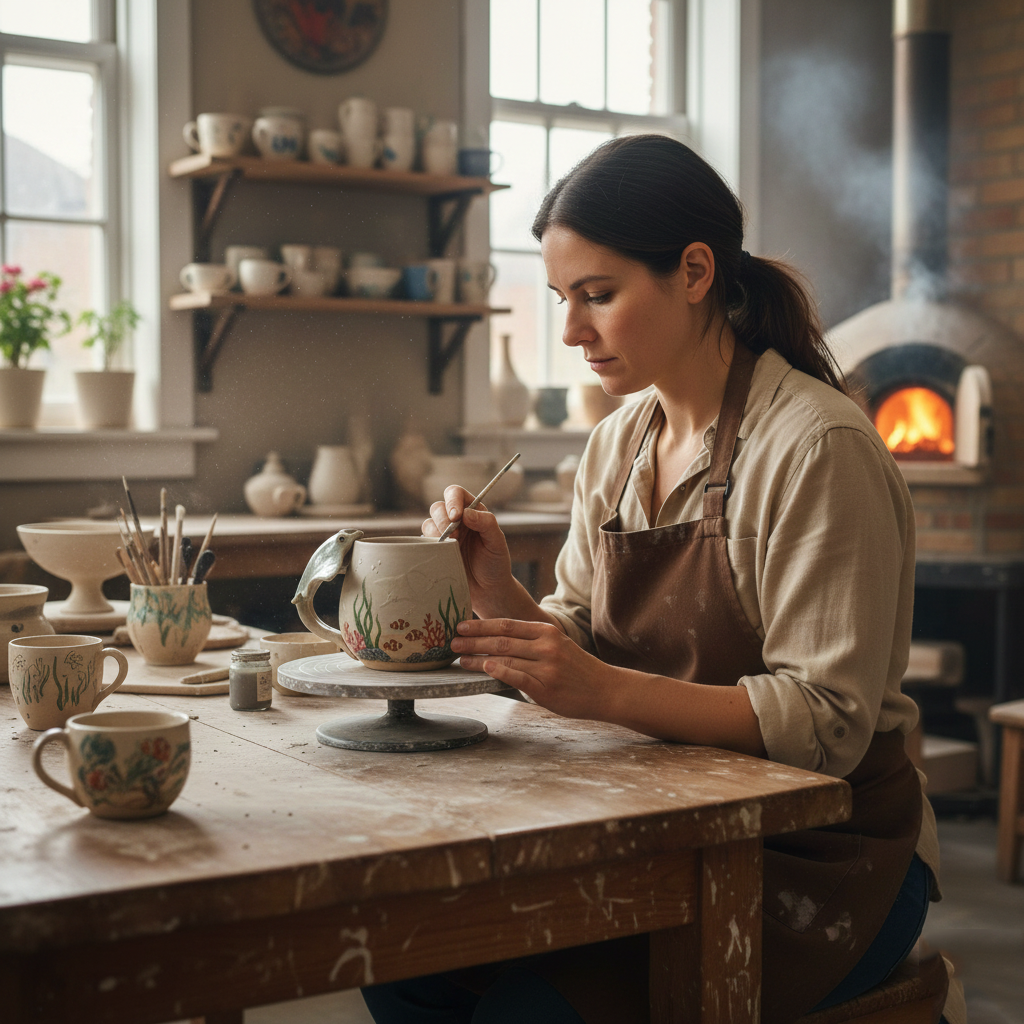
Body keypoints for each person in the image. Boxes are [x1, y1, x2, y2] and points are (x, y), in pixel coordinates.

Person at [362, 134, 949, 1024]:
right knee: (401, 961)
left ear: (696, 271)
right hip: (657, 816)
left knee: (528, 1013)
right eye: (563, 300)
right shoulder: (616, 443)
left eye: (598, 295)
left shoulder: (816, 447)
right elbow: (579, 641)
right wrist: (494, 592)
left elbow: (825, 725)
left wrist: (601, 690)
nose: (572, 331)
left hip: (821, 853)